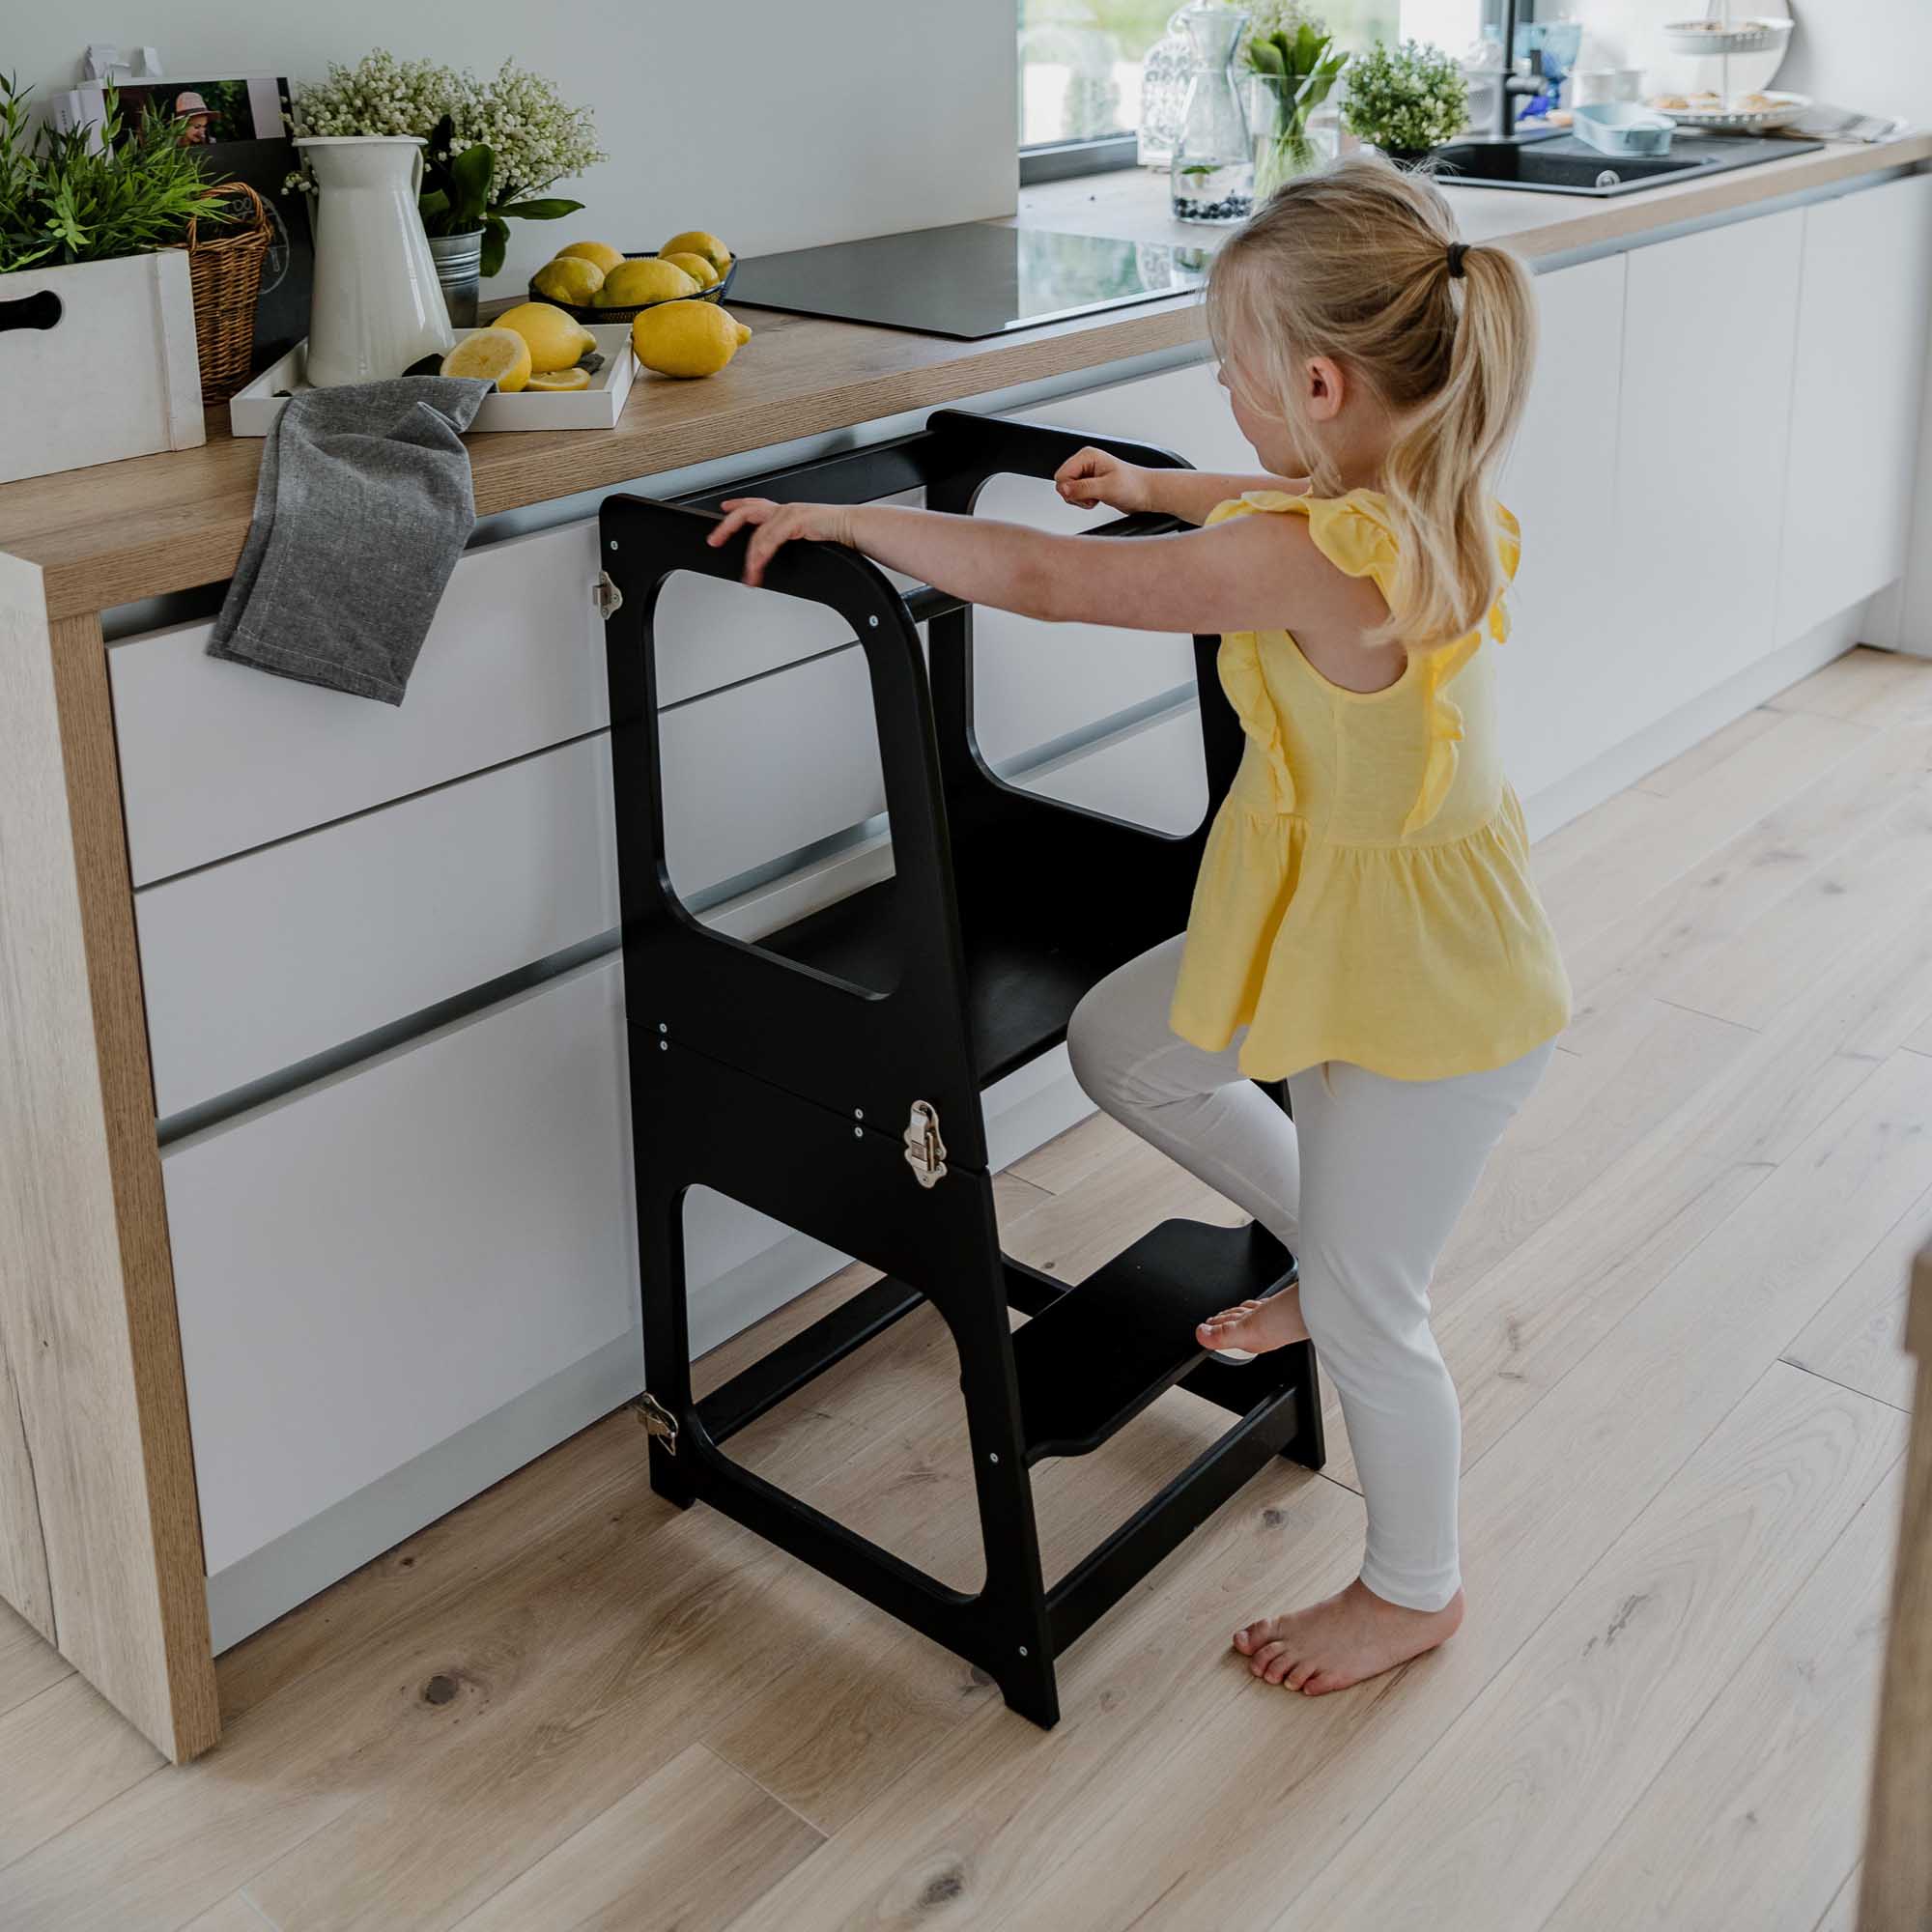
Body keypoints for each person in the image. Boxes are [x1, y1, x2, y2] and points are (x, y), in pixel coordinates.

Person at [706, 155, 1571, 1696]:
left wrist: (862, 536)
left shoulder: (1315, 551)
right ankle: (1329, 1236)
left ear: (1315, 382)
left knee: (1381, 1314)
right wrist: (1158, 485)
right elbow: (1272, 504)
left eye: (1234, 376)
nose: (1225, 401)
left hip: (1430, 999)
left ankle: (1415, 1585)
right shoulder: (1406, 494)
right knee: (1129, 1043)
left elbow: (1048, 582)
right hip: (1356, 927)